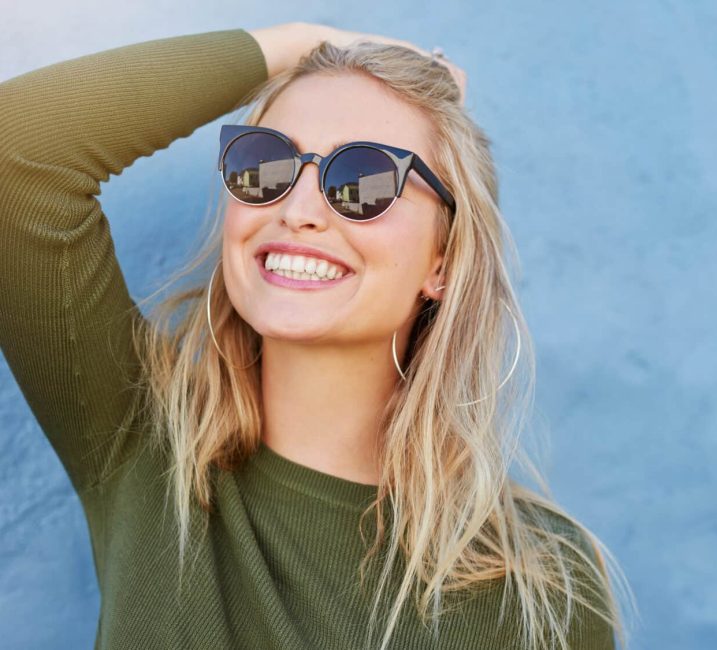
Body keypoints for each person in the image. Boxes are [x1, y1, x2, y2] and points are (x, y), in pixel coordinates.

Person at [0, 21, 635, 650]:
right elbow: (15, 150)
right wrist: (306, 45)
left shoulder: (543, 586)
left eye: (363, 179)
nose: (297, 210)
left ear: (443, 260)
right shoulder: (144, 445)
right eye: (265, 162)